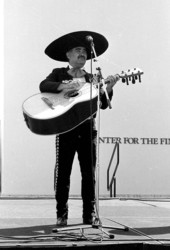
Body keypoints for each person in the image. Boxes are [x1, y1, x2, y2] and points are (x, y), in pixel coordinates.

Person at [39, 31, 120, 226]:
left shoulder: (93, 78)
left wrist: (108, 88)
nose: (82, 54)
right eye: (77, 50)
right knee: (63, 173)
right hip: (66, 129)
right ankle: (61, 215)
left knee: (88, 173)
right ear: (68, 55)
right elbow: (44, 85)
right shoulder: (58, 72)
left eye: (84, 51)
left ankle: (88, 215)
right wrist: (63, 87)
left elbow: (102, 104)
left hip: (86, 130)